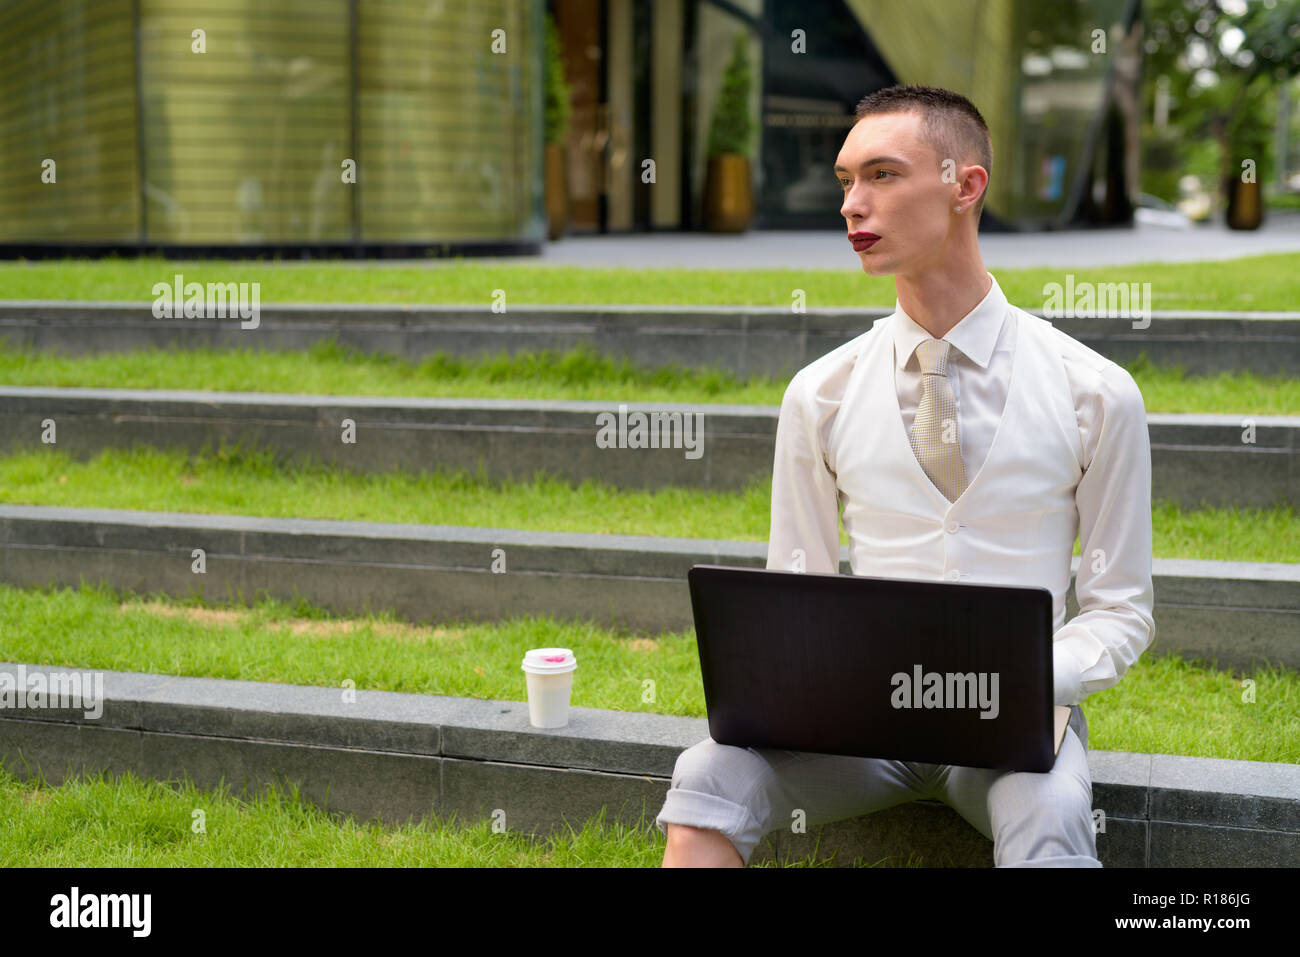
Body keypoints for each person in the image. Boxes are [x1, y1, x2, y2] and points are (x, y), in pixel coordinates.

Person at [655, 85, 1156, 868]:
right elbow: (798, 588)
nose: (853, 204)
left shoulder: (1094, 392)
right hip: (855, 732)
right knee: (706, 773)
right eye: (846, 180)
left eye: (883, 176)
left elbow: (1122, 611)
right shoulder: (818, 394)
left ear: (966, 186)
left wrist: (1011, 681)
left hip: (1015, 726)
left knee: (1054, 818)